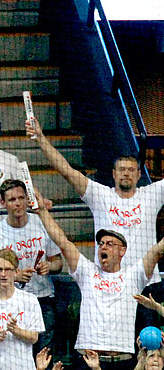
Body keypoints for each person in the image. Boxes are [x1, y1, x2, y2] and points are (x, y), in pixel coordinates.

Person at [37, 195, 164, 370]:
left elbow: (158, 250)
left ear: (123, 251)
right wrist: (42, 212)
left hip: (123, 364)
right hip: (88, 364)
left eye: (109, 243)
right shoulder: (86, 271)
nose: (103, 247)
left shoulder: (133, 275)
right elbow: (63, 242)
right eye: (101, 243)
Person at [29, 115, 164, 271]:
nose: (126, 173)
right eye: (122, 169)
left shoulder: (152, 194)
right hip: (108, 280)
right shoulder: (100, 195)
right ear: (114, 174)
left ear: (139, 175)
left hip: (145, 280)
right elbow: (67, 171)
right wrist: (40, 139)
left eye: (131, 170)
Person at [0, 179, 62, 352]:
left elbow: (58, 262)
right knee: (17, 351)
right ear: (3, 203)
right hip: (12, 302)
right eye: (12, 200)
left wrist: (49, 267)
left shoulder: (42, 224)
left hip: (43, 298)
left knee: (44, 354)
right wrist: (14, 276)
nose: (18, 204)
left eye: (21, 198)